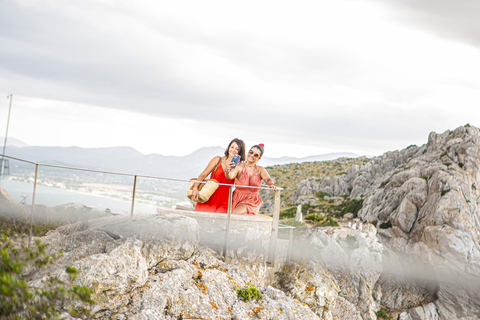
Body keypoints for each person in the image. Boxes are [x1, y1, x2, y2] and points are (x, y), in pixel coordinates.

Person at [192, 138, 246, 213]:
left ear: (240, 152)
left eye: (237, 149)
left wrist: (235, 169)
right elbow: (204, 174)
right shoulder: (218, 160)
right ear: (229, 148)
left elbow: (238, 186)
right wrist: (195, 187)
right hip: (209, 196)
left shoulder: (239, 167)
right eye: (232, 147)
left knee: (218, 223)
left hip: (224, 201)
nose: (233, 150)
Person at [225, 143, 277, 215]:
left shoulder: (260, 169)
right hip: (237, 198)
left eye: (256, 155)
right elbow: (230, 176)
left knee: (235, 214)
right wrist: (227, 170)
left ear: (259, 158)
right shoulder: (238, 167)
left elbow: (267, 178)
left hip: (252, 200)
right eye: (251, 152)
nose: (252, 155)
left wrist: (271, 184)